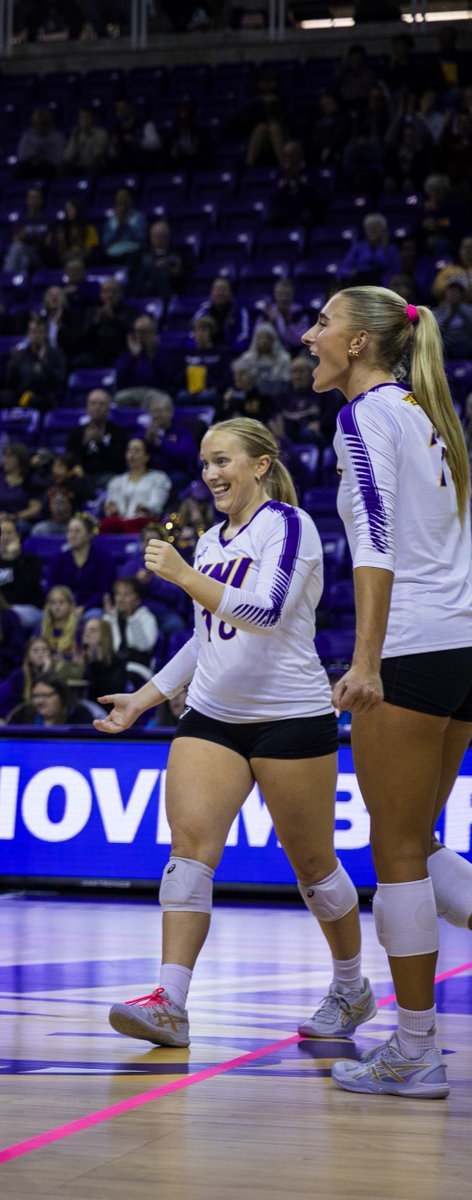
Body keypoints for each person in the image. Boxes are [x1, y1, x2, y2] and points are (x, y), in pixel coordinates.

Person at [97, 418, 368, 1053]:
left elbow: (264, 612)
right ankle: (170, 1001)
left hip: (290, 716)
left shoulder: (290, 526)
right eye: (205, 463)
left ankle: (352, 985)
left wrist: (185, 576)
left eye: (223, 461)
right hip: (213, 715)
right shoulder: (213, 540)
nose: (211, 474)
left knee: (313, 866)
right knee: (187, 854)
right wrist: (142, 699)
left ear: (261, 464)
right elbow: (204, 636)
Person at [302, 287, 472, 1099]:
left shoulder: (365, 417)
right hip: (463, 645)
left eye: (323, 324)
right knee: (422, 842)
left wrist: (365, 661)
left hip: (412, 645)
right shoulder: (429, 413)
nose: (310, 336)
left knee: (395, 852)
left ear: (362, 343)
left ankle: (415, 1050)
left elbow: (373, 545)